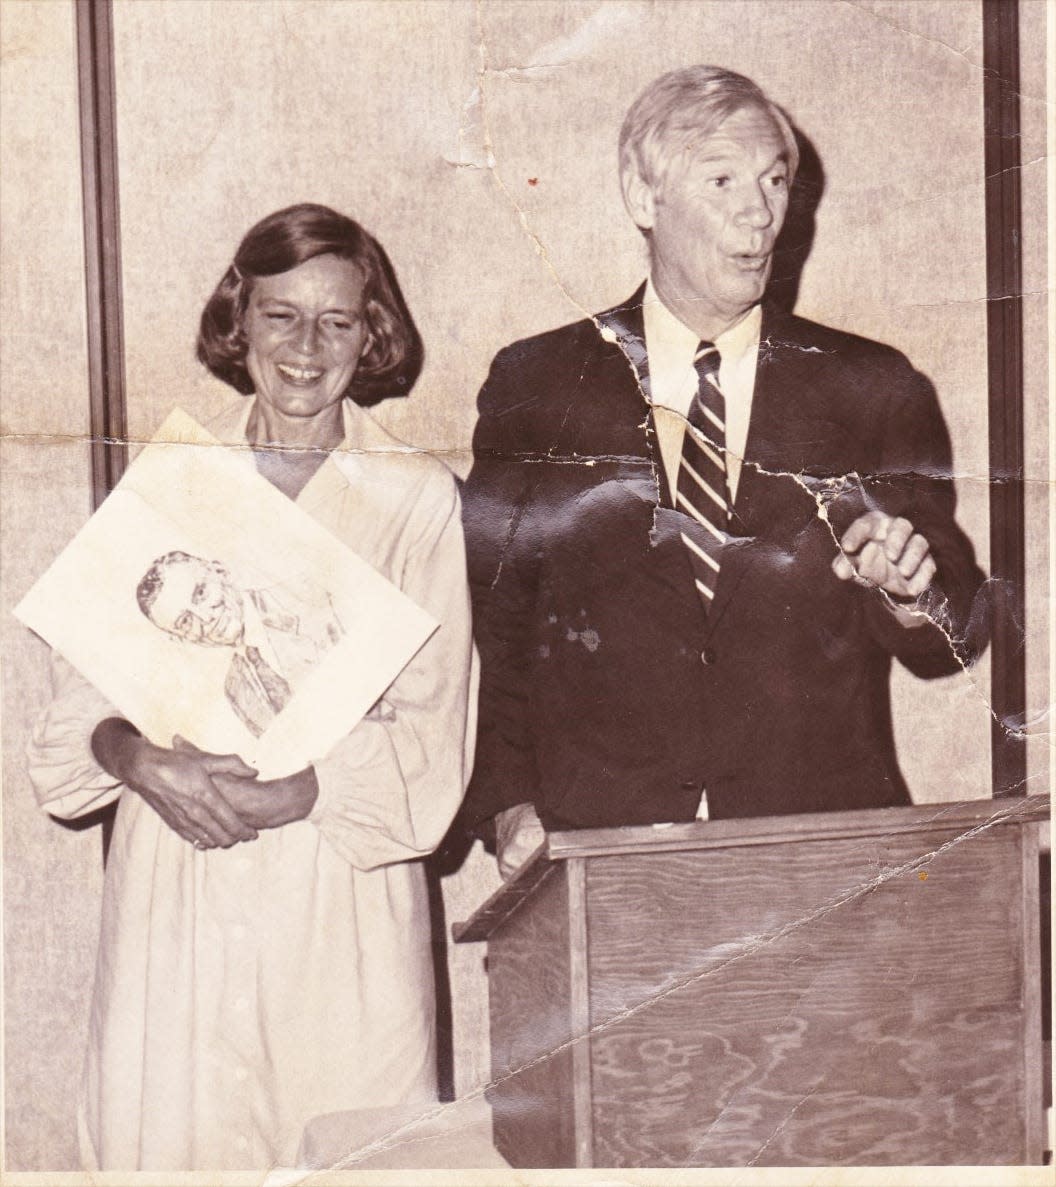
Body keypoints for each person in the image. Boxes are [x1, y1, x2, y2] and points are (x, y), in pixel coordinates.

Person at [27, 204, 476, 1170]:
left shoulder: (414, 496)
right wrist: (137, 758)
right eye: (281, 316)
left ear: (374, 334)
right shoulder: (171, 478)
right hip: (174, 891)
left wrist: (301, 788)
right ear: (240, 321)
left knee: (354, 1152)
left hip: (338, 896)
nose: (307, 348)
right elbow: (72, 723)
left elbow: (436, 746)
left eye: (338, 322)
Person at [458, 66, 985, 876]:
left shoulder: (869, 386)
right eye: (723, 179)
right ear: (643, 196)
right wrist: (510, 806)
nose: (760, 211)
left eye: (776, 180)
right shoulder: (539, 385)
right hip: (601, 856)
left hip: (820, 859)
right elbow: (495, 620)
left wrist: (908, 589)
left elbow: (950, 632)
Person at [136, 550, 345, 736]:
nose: (206, 618)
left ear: (221, 572)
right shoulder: (234, 690)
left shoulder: (306, 598)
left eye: (200, 593)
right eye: (185, 621)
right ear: (180, 638)